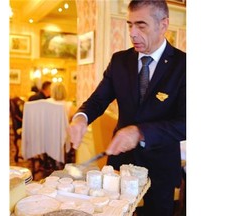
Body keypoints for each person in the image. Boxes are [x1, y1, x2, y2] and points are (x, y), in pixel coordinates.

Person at [68, 1, 186, 215]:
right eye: (129, 25)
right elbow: (97, 101)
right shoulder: (119, 61)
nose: (132, 33)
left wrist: (141, 132)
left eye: (141, 26)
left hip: (160, 167)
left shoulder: (184, 65)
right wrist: (81, 117)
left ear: (163, 24)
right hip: (119, 166)